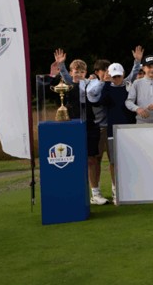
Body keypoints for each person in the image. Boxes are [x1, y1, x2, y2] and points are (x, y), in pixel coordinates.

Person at [53, 49, 108, 205]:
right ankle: (74, 192)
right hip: (72, 127)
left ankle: (95, 194)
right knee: (72, 160)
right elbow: (66, 77)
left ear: (86, 73)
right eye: (76, 71)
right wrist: (61, 64)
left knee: (93, 160)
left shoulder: (89, 84)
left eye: (82, 71)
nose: (78, 74)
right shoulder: (68, 85)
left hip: (91, 126)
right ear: (71, 72)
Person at [99, 52, 142, 205]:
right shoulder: (106, 88)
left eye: (118, 76)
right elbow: (102, 101)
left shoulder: (129, 86)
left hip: (128, 129)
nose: (116, 79)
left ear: (122, 74)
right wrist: (105, 83)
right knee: (113, 162)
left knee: (130, 160)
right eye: (114, 76)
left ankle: (132, 190)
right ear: (109, 75)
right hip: (112, 129)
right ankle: (115, 189)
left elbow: (134, 73)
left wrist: (137, 61)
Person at [125, 55, 153, 123]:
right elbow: (128, 102)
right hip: (141, 121)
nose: (152, 69)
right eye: (149, 67)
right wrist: (137, 109)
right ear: (143, 68)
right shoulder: (137, 83)